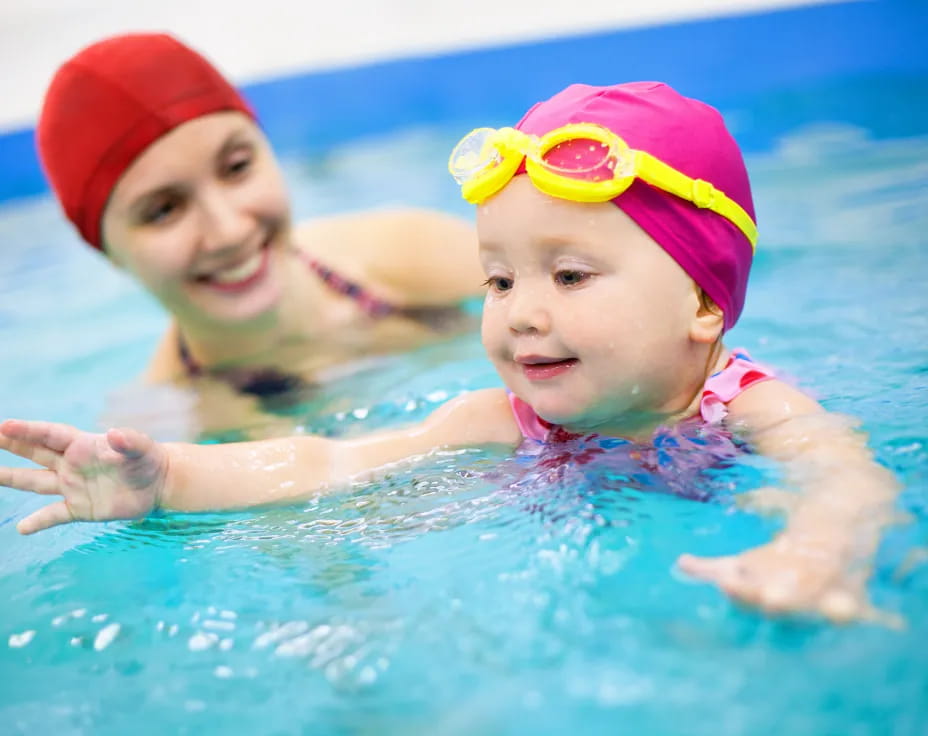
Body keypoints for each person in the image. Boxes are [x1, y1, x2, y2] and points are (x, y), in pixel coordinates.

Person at [1, 82, 899, 622]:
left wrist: (816, 553)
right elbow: (329, 462)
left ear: (704, 301)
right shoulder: (498, 420)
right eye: (499, 281)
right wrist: (170, 483)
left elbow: (847, 476)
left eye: (571, 276)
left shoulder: (748, 406)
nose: (519, 316)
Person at [35, 32, 485, 431]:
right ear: (107, 251)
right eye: (164, 210)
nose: (228, 231)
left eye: (237, 167)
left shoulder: (417, 252)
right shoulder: (163, 432)